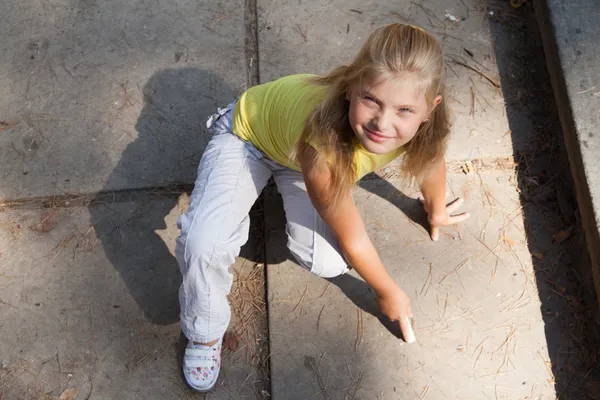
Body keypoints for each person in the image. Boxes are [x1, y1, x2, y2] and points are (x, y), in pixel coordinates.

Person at [175, 23, 470, 391]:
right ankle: (203, 332)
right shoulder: (324, 147)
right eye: (371, 100)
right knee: (204, 243)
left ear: (430, 109)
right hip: (249, 139)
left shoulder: (421, 127)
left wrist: (437, 208)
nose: (382, 122)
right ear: (350, 88)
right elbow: (355, 238)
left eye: (404, 109)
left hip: (297, 161)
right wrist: (388, 291)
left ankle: (274, 188)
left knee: (327, 260)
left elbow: (431, 160)